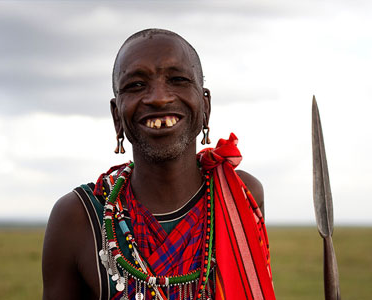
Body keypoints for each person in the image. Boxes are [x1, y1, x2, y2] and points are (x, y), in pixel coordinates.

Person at [42, 29, 276, 300]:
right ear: (117, 115)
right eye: (136, 85)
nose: (159, 98)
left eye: (177, 80)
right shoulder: (78, 217)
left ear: (205, 106)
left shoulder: (240, 195)